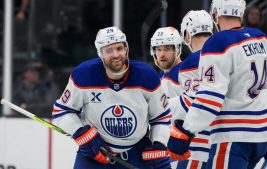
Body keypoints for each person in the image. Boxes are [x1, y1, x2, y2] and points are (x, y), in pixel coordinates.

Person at [167, 0, 267, 169]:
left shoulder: (218, 43)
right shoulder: (261, 37)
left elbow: (210, 99)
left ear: (216, 12)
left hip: (233, 138)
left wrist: (185, 132)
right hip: (261, 138)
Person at [52, 26, 171, 169]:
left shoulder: (146, 76)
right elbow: (61, 112)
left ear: (126, 48)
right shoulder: (83, 75)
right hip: (94, 152)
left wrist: (159, 143)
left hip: (136, 153)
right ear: (100, 53)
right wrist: (81, 133)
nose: (116, 55)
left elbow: (161, 117)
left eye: (119, 48)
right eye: (109, 50)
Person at [168, 10, 214, 169]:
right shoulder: (229, 55)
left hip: (199, 149)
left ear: (187, 35)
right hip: (230, 147)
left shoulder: (192, 62)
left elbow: (192, 103)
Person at [150, 26, 183, 98]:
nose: (162, 55)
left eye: (167, 49)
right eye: (158, 49)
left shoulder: (184, 74)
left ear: (177, 49)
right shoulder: (162, 74)